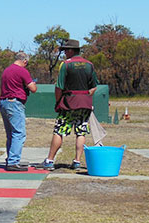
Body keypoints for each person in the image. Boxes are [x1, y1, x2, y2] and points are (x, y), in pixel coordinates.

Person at [42, 39, 99, 170]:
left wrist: (58, 102)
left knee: (59, 131)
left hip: (68, 103)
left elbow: (59, 87)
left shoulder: (66, 65)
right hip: (85, 104)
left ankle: (50, 160)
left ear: (72, 51)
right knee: (81, 132)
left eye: (66, 50)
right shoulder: (89, 65)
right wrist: (85, 96)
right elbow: (94, 86)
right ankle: (77, 161)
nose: (65, 53)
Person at [0, 51, 37, 171]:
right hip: (14, 103)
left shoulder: (6, 70)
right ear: (24, 61)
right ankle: (13, 161)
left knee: (11, 133)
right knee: (19, 133)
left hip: (4, 102)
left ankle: (10, 159)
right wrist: (32, 83)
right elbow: (33, 88)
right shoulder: (22, 71)